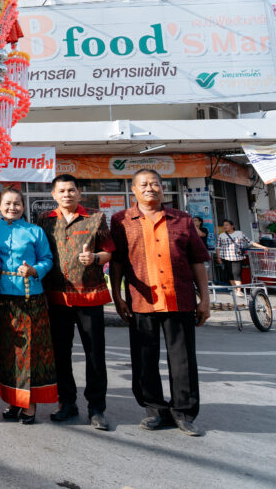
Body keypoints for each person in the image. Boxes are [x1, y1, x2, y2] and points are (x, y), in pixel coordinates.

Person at [110, 169, 211, 436]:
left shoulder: (183, 219)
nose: (150, 188)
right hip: (140, 301)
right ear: (133, 190)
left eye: (155, 184)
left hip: (179, 299)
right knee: (144, 359)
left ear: (162, 188)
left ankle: (184, 412)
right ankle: (154, 409)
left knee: (183, 360)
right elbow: (117, 261)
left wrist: (206, 300)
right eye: (143, 184)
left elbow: (197, 261)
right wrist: (117, 297)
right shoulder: (121, 221)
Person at [36, 174, 114, 431]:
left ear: (79, 193)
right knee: (60, 354)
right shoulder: (44, 221)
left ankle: (97, 408)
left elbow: (109, 252)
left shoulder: (96, 217)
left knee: (95, 354)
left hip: (89, 296)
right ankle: (66, 403)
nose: (67, 194)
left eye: (71, 190)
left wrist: (95, 258)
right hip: (56, 298)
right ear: (54, 195)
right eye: (62, 191)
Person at [0, 188, 56, 424]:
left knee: (29, 353)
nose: (12, 207)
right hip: (2, 299)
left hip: (30, 298)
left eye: (17, 203)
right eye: (7, 203)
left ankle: (30, 404)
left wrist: (35, 270)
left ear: (23, 207)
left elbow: (47, 259)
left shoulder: (35, 231)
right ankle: (13, 401)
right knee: (7, 353)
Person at [216, 218, 264, 294]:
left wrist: (263, 247)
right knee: (230, 274)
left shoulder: (239, 233)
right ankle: (234, 289)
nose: (225, 227)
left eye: (227, 225)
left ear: (232, 226)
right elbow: (218, 247)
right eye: (224, 225)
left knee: (236, 273)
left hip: (237, 257)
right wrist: (218, 257)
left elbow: (250, 242)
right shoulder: (221, 235)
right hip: (226, 257)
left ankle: (239, 290)